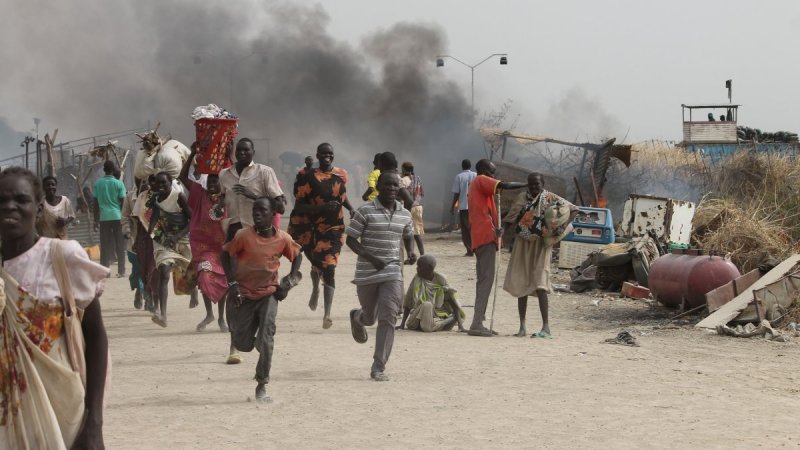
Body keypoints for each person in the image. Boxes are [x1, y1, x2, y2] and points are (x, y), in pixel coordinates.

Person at [0, 167, 109, 449]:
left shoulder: (62, 256)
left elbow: (96, 336)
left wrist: (94, 424)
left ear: (38, 210)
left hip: (63, 411)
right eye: (1, 200)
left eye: (20, 199)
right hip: (7, 415)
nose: (9, 206)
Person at [222, 197, 302, 403]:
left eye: (262, 210)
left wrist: (290, 281)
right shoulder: (243, 236)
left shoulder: (282, 238)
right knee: (242, 343)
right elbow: (226, 254)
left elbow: (297, 255)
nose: (257, 214)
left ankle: (261, 384)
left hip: (269, 294)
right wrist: (232, 284)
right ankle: (254, 340)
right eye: (255, 210)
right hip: (244, 295)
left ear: (272, 213)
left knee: (267, 340)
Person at [346, 171, 416, 381]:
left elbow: (408, 233)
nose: (392, 189)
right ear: (379, 186)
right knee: (370, 317)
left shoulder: (405, 213)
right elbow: (350, 239)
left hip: (393, 271)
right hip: (367, 273)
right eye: (387, 185)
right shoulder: (365, 211)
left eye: (396, 185)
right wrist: (370, 257)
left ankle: (379, 366)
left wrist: (411, 251)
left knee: (389, 316)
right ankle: (358, 317)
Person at [502, 173, 579, 338]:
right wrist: (501, 234)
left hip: (542, 245)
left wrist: (561, 226)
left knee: (540, 282)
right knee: (521, 280)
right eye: (531, 184)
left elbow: (573, 210)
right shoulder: (522, 198)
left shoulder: (551, 198)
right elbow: (511, 218)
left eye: (537, 184)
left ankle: (546, 327)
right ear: (527, 185)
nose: (534, 187)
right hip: (523, 242)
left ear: (543, 184)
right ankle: (522, 327)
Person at [288, 143, 353, 329]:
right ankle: (316, 286)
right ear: (317, 155)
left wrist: (351, 209)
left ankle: (327, 314)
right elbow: (299, 206)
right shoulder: (307, 176)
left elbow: (342, 195)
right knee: (316, 262)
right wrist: (321, 208)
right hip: (309, 227)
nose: (327, 156)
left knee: (330, 267)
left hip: (333, 228)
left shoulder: (342, 174)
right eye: (323, 153)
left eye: (330, 154)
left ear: (333, 155)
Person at [467, 159, 526, 337]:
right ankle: (476, 323)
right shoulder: (480, 180)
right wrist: (526, 183)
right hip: (484, 237)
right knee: (485, 281)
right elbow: (505, 185)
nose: (494, 176)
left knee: (485, 280)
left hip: (486, 235)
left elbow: (488, 213)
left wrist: (498, 227)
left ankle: (479, 320)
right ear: (484, 171)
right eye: (492, 172)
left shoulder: (483, 190)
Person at [147, 171, 192, 328]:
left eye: (163, 183)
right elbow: (154, 218)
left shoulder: (178, 196)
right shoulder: (156, 199)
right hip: (164, 239)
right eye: (157, 184)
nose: (160, 187)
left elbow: (191, 220)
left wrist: (178, 236)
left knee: (192, 272)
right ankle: (163, 315)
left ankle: (193, 294)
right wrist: (151, 231)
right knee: (164, 272)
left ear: (170, 182)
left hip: (182, 239)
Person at [218, 138, 286, 242]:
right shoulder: (224, 174)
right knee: (227, 256)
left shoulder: (265, 172)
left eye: (246, 150)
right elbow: (222, 196)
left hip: (258, 231)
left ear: (253, 152)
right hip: (234, 232)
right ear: (235, 152)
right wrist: (220, 205)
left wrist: (253, 196)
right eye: (239, 150)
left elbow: (280, 208)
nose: (242, 153)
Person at [398, 254, 465, 332]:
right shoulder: (417, 280)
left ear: (429, 269)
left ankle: (434, 324)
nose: (417, 269)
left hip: (435, 316)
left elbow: (453, 303)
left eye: (420, 266)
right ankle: (436, 326)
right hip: (416, 319)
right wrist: (402, 324)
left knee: (450, 316)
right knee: (427, 305)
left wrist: (461, 326)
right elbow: (408, 303)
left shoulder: (440, 280)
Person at [93, 160, 128, 277]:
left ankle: (105, 271)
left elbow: (95, 203)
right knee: (120, 244)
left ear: (104, 170)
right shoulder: (119, 184)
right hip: (117, 216)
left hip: (104, 218)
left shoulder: (98, 184)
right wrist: (124, 217)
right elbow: (123, 201)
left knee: (105, 245)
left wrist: (95, 220)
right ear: (113, 170)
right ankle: (121, 270)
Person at [122, 181, 146, 309]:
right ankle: (139, 290)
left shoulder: (155, 196)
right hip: (133, 240)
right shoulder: (129, 198)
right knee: (137, 270)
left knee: (149, 270)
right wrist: (126, 231)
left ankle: (147, 296)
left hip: (151, 240)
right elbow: (125, 217)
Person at [37, 175, 76, 239]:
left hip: (62, 237)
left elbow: (72, 216)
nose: (50, 187)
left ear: (56, 186)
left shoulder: (65, 200)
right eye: (48, 185)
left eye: (53, 184)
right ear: (43, 188)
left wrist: (65, 221)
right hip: (47, 240)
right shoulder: (41, 203)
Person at [451, 159, 477, 256]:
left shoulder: (459, 176)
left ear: (462, 166)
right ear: (470, 166)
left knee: (466, 229)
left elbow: (456, 194)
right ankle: (475, 247)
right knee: (473, 227)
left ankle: (469, 249)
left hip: (464, 207)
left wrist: (452, 206)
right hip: (475, 206)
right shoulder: (476, 175)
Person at [401, 161, 425, 258]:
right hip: (418, 206)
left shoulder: (404, 180)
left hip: (409, 207)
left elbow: (402, 194)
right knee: (416, 233)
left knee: (408, 233)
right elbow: (422, 193)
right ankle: (422, 254)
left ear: (404, 169)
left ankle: (410, 255)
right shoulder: (417, 178)